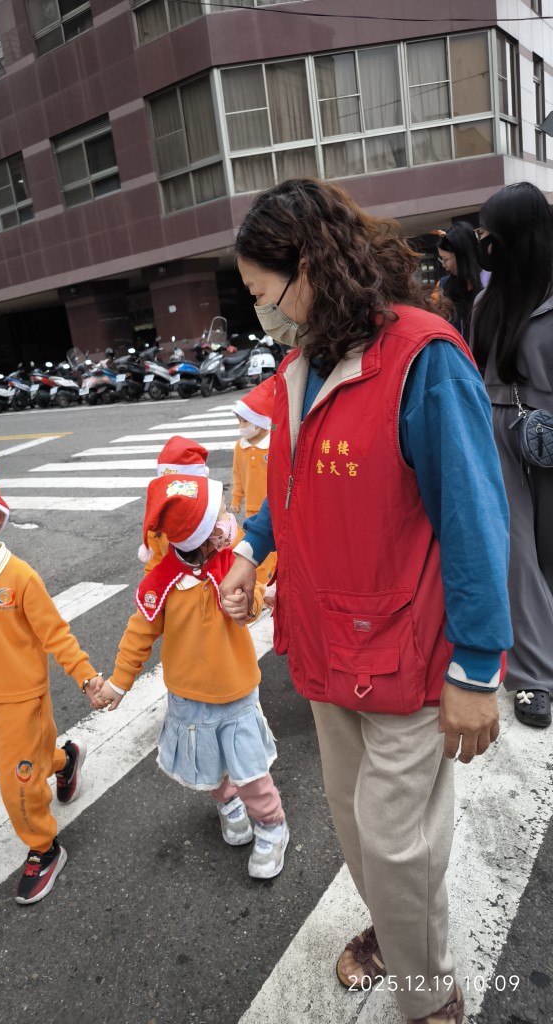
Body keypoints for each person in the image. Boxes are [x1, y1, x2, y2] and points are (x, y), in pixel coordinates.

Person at [219, 178, 512, 1024]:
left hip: (405, 652)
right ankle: (395, 930)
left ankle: (431, 999)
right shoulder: (301, 366)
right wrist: (250, 549)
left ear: (309, 266)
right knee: (359, 833)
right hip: (324, 647)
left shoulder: (423, 359)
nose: (261, 314)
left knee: (395, 844)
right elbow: (290, 487)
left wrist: (477, 668)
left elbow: (474, 519)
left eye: (263, 293)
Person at [97, 473, 289, 880]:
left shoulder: (234, 562)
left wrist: (249, 604)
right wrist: (118, 682)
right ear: (200, 535)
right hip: (189, 700)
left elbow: (255, 594)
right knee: (211, 767)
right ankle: (227, 803)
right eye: (219, 517)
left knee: (251, 771)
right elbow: (138, 634)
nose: (229, 520)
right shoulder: (161, 582)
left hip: (237, 693)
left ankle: (272, 824)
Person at [0, 461, 105, 905]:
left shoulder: (20, 576)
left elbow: (55, 634)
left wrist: (85, 676)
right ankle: (64, 760)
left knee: (18, 780)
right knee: (8, 761)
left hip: (24, 697)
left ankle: (44, 848)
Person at [471, 181, 553, 729]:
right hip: (497, 430)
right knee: (515, 552)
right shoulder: (486, 301)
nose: (484, 243)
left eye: (490, 233)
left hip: (549, 430)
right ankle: (533, 676)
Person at [230, 375, 277, 592]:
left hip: (271, 508)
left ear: (258, 423)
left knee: (275, 552)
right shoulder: (240, 446)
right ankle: (260, 589)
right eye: (239, 421)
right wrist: (236, 498)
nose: (241, 426)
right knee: (255, 553)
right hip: (251, 507)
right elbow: (237, 474)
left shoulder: (273, 445)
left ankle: (273, 585)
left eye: (244, 421)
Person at [138, 435, 210, 572]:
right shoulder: (158, 522)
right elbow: (154, 566)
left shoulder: (214, 518)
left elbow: (238, 560)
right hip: (174, 584)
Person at [435, 222, 488, 339]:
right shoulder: (444, 285)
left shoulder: (489, 282)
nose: (444, 265)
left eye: (445, 259)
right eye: (441, 260)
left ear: (461, 256)